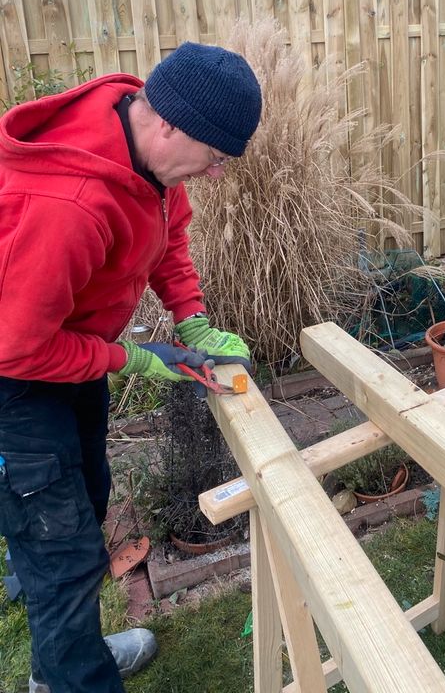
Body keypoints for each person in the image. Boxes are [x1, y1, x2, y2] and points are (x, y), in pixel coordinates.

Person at [0, 42, 262, 693]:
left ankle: (59, 663)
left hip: (68, 355)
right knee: (58, 553)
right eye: (215, 156)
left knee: (83, 507)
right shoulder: (70, 206)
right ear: (170, 124)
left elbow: (167, 234)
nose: (216, 174)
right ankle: (71, 677)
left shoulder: (147, 152)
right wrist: (139, 358)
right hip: (16, 382)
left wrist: (192, 318)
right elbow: (17, 349)